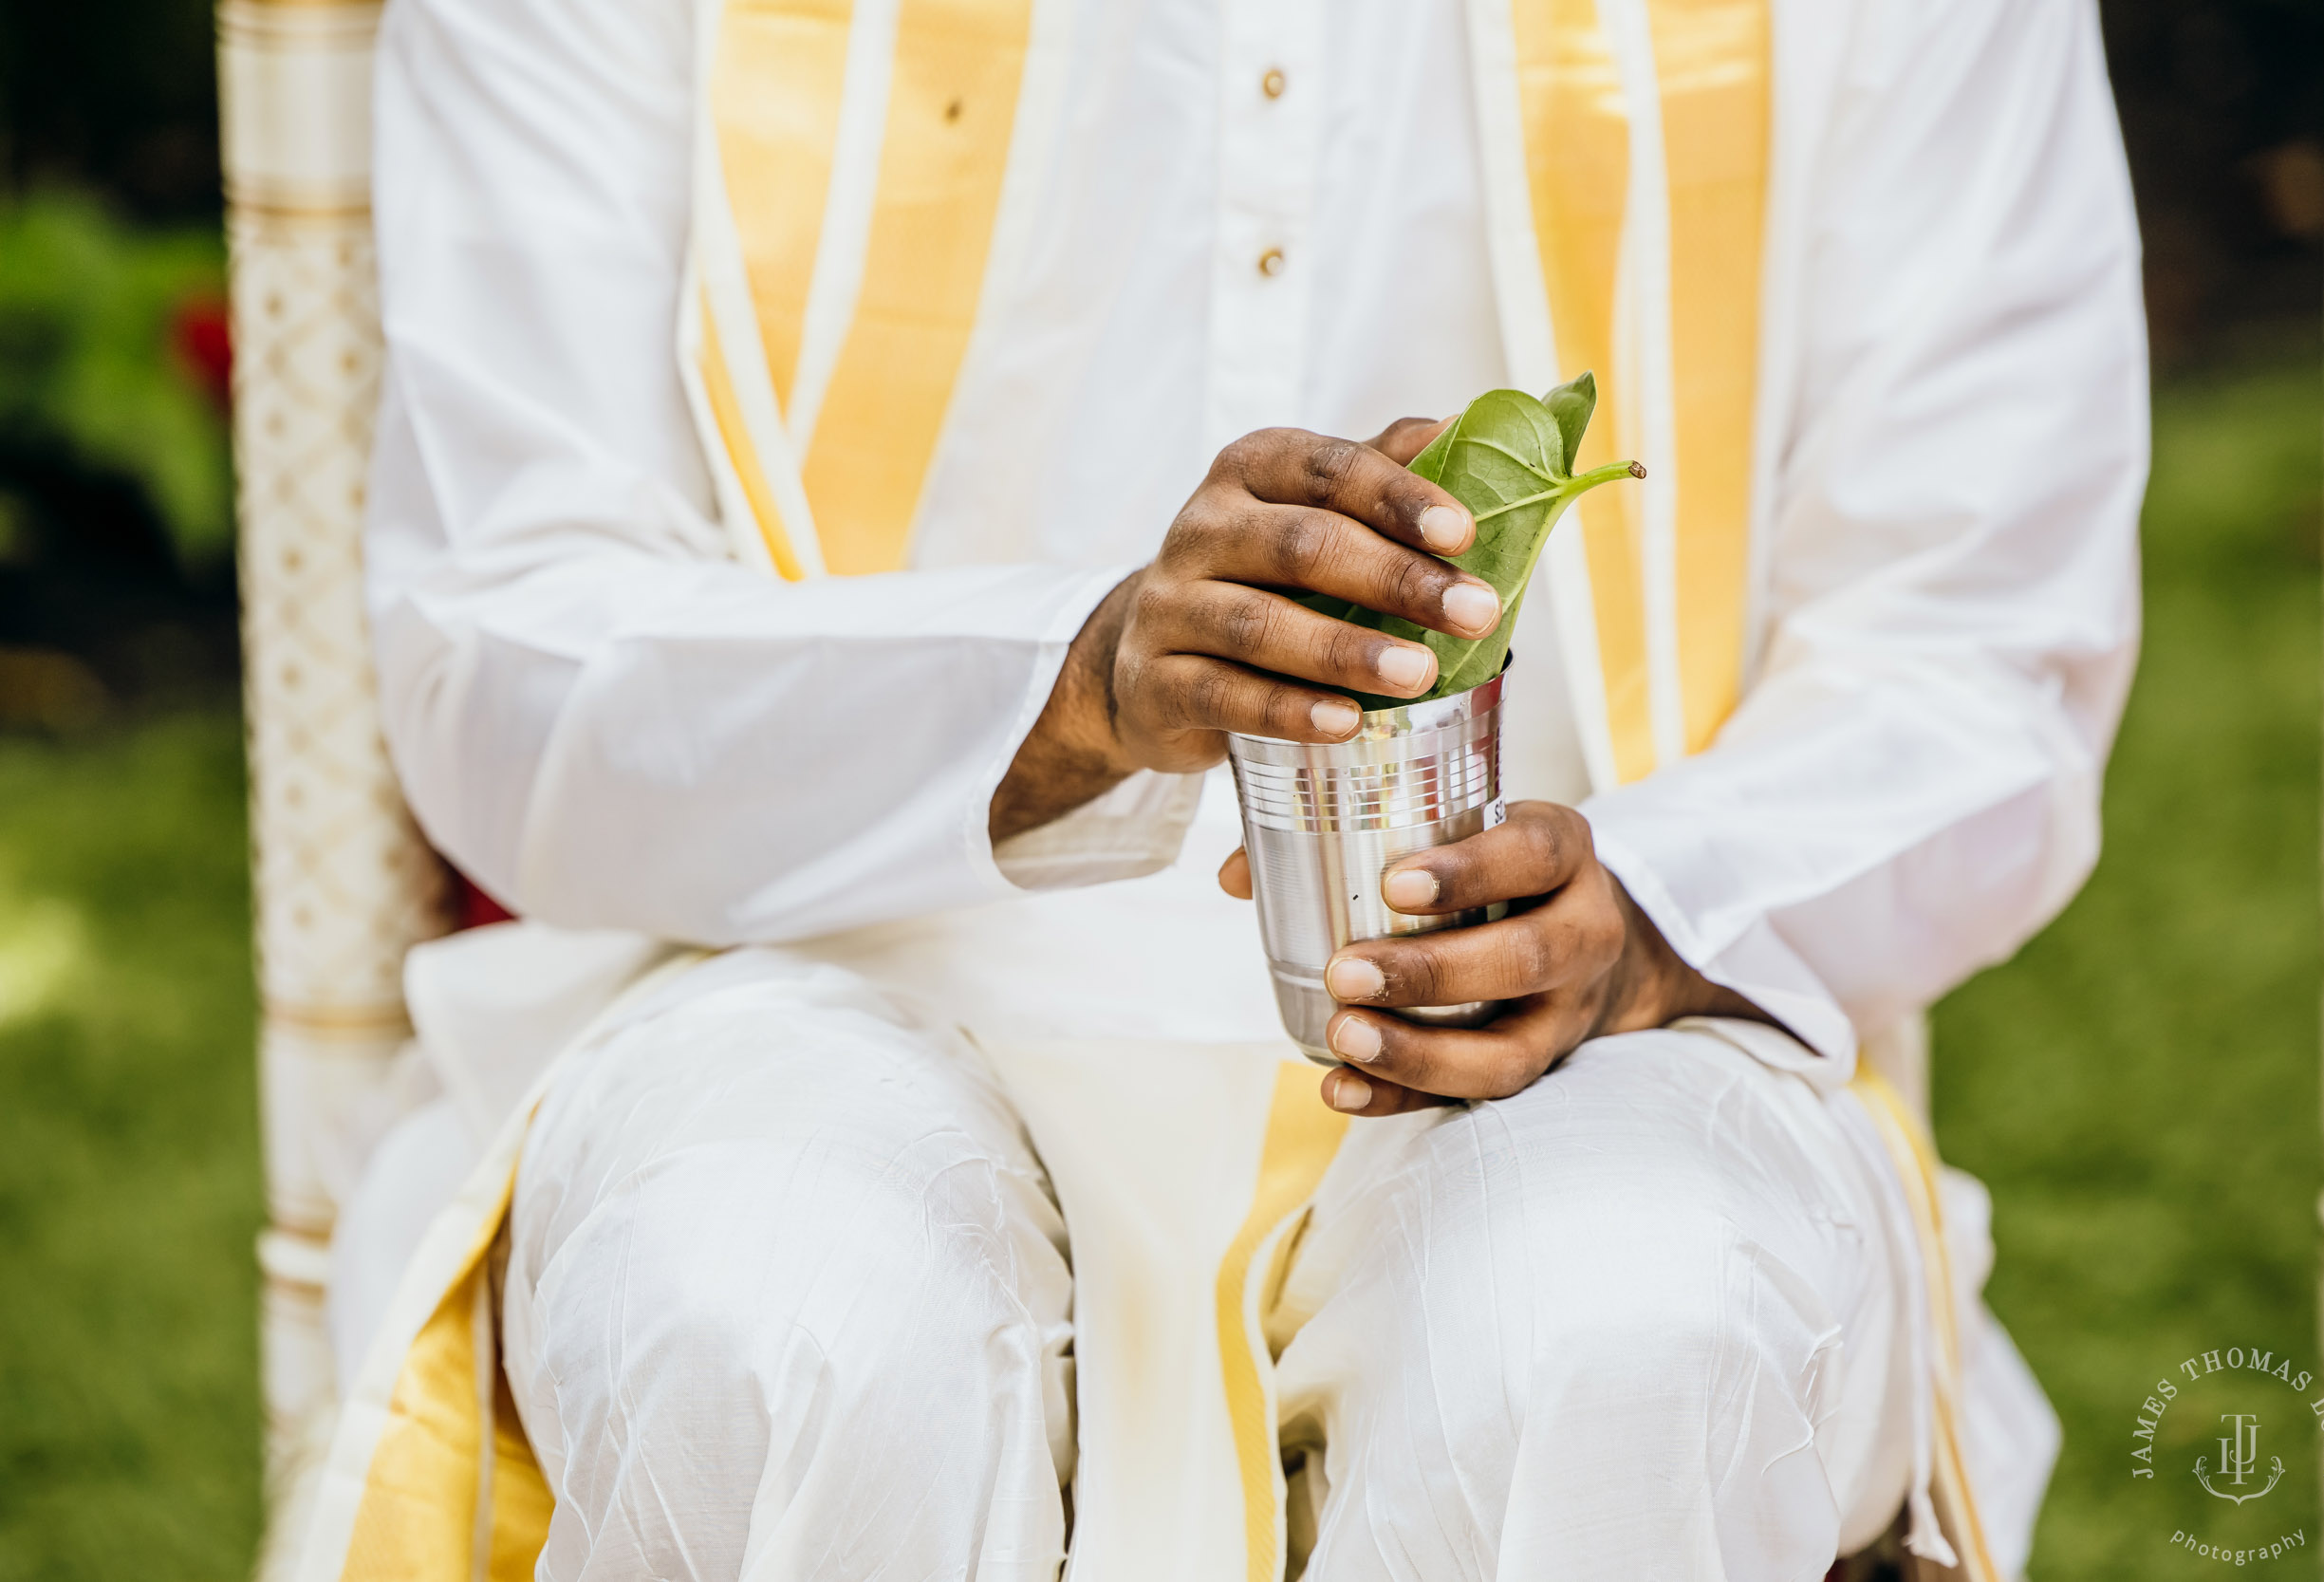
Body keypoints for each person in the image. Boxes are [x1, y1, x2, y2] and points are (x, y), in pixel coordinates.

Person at [324, 0, 2145, 1575]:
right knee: (767, 1308)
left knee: (1615, 1321)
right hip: (817, 967)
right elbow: (502, 642)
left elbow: (1982, 650)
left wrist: (1648, 913)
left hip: (1606, 1039)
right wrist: (1066, 678)